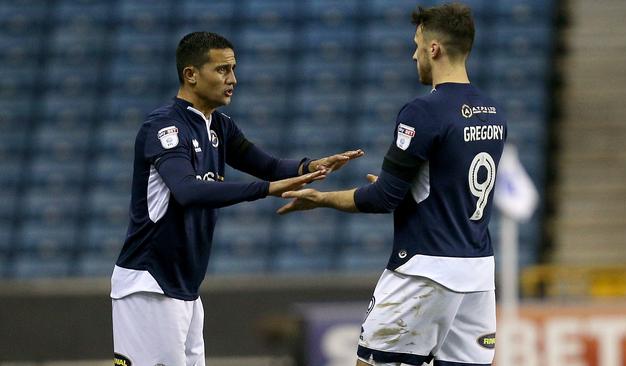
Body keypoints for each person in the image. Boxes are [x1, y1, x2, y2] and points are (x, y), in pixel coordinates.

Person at [110, 31, 363, 366]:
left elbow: (269, 166)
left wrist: (310, 165)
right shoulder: (165, 128)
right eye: (223, 70)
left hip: (184, 287)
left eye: (233, 69)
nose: (233, 79)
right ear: (191, 74)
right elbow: (188, 191)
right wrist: (267, 189)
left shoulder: (220, 126)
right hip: (149, 283)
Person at [278, 4, 506, 366]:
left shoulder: (423, 112)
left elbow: (384, 197)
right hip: (477, 272)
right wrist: (407, 190)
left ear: (434, 49)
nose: (413, 53)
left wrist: (321, 198)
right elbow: (446, 187)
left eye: (417, 44)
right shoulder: (493, 112)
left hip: (423, 270)